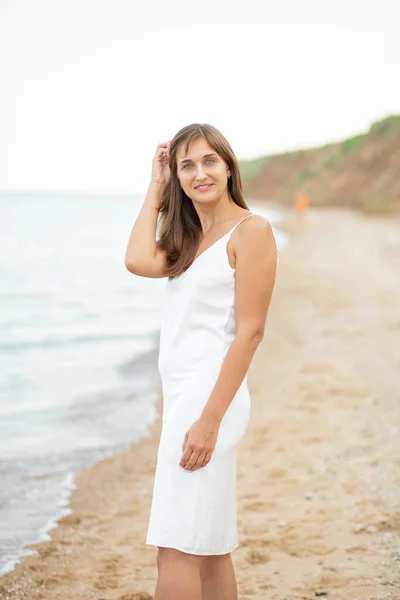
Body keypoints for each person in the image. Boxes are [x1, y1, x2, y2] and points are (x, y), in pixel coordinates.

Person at [124, 123, 277, 600]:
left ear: (229, 167)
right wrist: (156, 186)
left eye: (209, 160)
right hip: (186, 400)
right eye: (186, 165)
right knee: (207, 545)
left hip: (208, 403)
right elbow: (136, 259)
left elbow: (250, 332)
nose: (199, 173)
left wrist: (208, 421)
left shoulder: (251, 231)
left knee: (174, 547)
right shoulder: (189, 240)